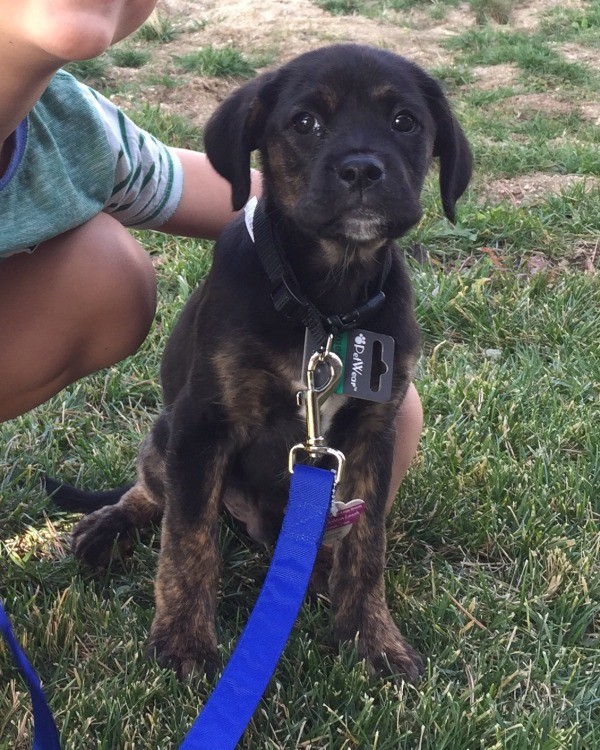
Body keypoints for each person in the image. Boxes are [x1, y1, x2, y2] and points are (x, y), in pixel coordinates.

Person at [0, 0, 422, 510]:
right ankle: (148, 501)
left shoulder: (77, 133)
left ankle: (315, 533)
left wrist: (335, 191)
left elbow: (200, 187)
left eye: (402, 121)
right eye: (307, 123)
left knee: (394, 405)